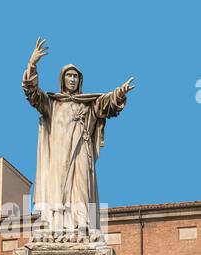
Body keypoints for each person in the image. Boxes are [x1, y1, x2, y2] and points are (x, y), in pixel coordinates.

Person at [23, 37, 134, 240]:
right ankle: (57, 227)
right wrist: (32, 65)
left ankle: (82, 224)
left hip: (81, 151)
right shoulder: (52, 104)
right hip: (57, 156)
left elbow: (106, 105)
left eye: (75, 76)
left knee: (81, 186)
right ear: (63, 79)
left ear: (79, 80)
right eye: (69, 76)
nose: (72, 79)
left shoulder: (87, 105)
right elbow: (32, 94)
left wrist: (119, 93)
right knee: (58, 189)